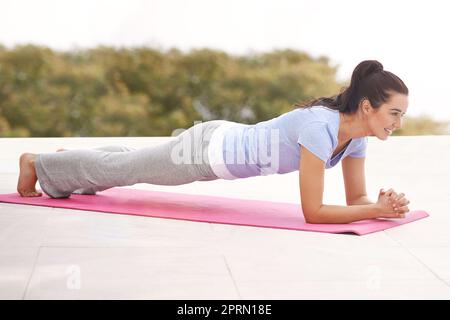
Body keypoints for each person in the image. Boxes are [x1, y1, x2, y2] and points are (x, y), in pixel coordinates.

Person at [17, 59, 410, 224]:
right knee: (126, 171)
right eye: (394, 113)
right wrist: (373, 212)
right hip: (205, 153)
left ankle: (73, 160)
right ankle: (37, 163)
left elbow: (356, 201)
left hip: (217, 147)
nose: (398, 123)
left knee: (132, 160)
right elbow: (314, 211)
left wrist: (379, 204)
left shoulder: (355, 138)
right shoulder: (319, 128)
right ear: (366, 106)